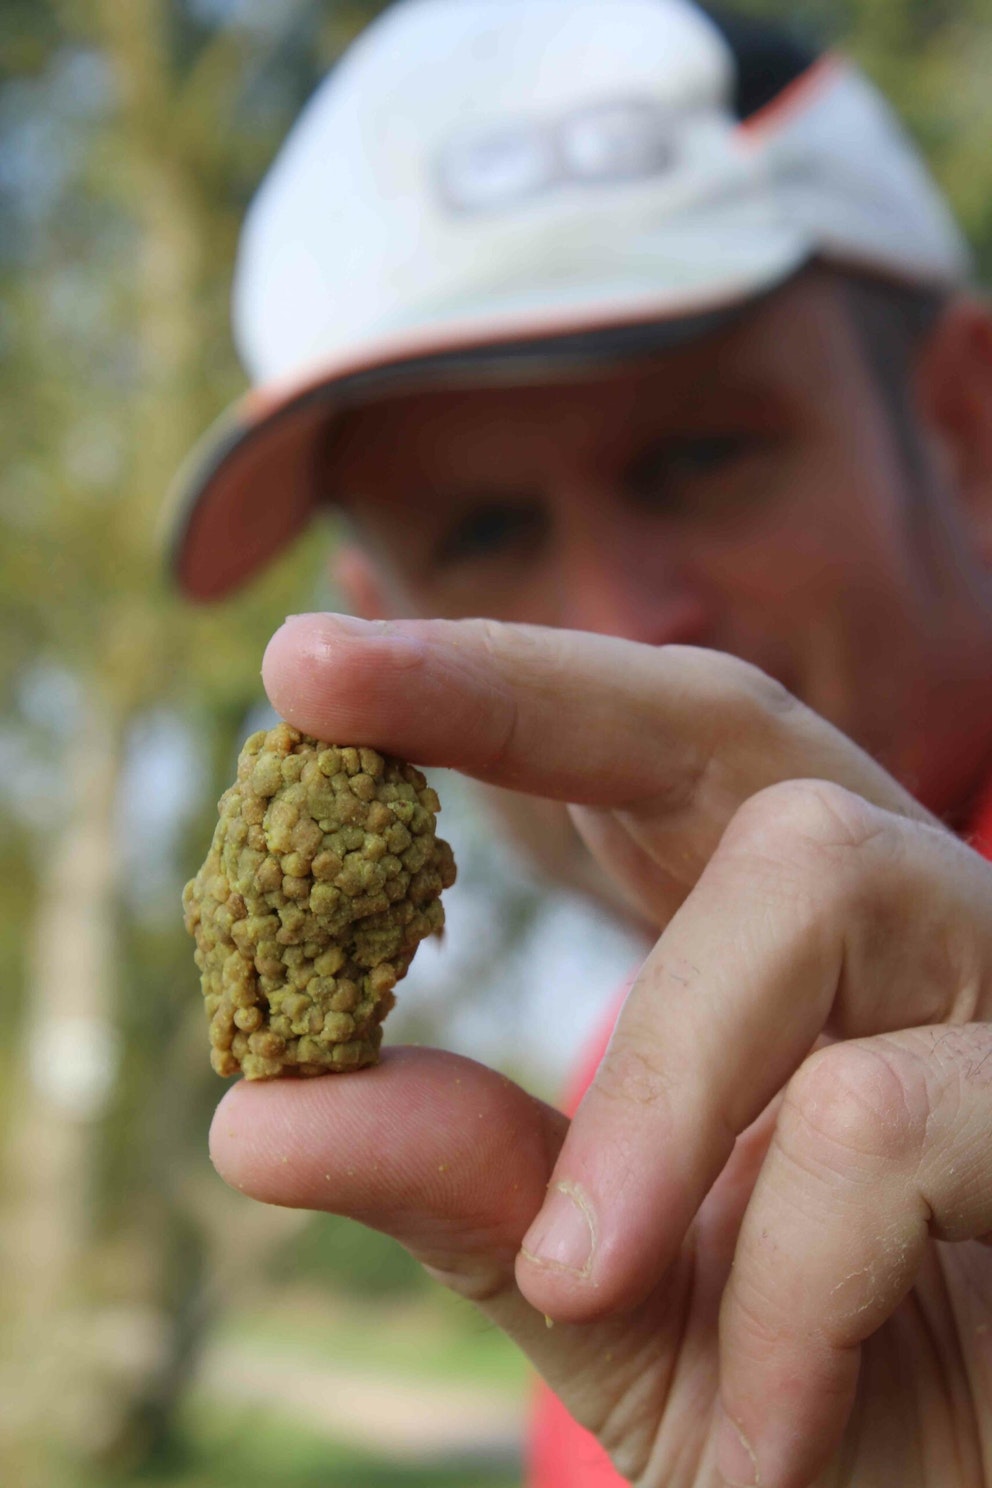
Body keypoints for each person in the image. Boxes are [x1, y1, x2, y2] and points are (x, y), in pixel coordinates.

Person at [167, 2, 992, 1483]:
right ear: (382, 623)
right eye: (482, 531)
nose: (623, 623)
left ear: (967, 431)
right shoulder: (596, 1169)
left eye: (704, 453)